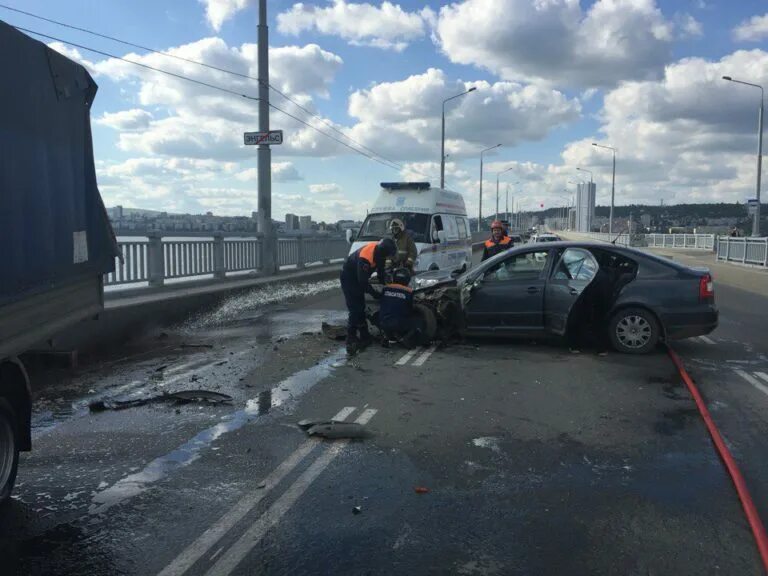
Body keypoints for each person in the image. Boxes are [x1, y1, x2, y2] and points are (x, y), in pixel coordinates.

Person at [340, 238, 397, 356]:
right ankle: (351, 339)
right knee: (355, 308)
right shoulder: (365, 258)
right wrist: (375, 294)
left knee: (361, 305)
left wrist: (387, 287)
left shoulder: (380, 253)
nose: (388, 258)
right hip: (349, 277)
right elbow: (363, 283)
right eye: (388, 256)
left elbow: (381, 272)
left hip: (358, 277)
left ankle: (365, 335)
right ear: (383, 252)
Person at [379, 268, 423, 348]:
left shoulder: (385, 289)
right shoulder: (409, 292)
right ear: (407, 279)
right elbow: (412, 308)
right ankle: (406, 338)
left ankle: (386, 336)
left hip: (383, 323)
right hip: (399, 324)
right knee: (418, 318)